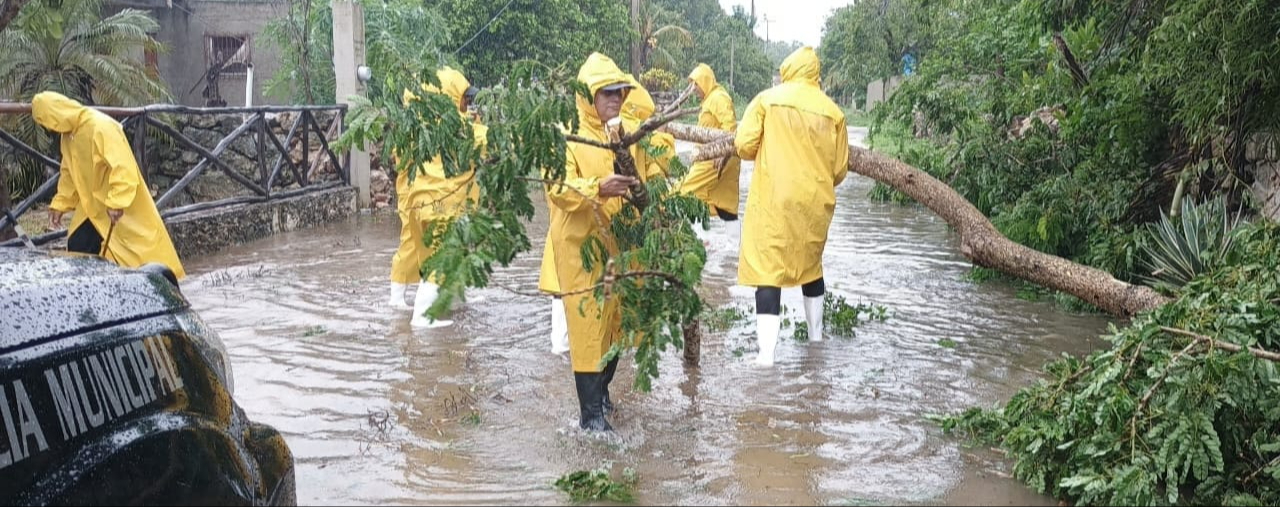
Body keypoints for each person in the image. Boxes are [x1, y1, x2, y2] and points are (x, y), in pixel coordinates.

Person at [544, 52, 670, 432]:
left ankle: (603, 396)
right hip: (581, 248)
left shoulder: (626, 133)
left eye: (620, 91)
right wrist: (597, 188)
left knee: (617, 324)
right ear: (589, 96)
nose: (615, 98)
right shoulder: (566, 133)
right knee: (587, 328)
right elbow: (556, 188)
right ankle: (591, 418)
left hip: (622, 246)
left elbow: (653, 172)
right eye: (606, 92)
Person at [734, 47, 849, 367]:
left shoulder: (767, 100)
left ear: (788, 69)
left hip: (774, 201)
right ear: (815, 73)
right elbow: (839, 170)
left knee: (769, 272)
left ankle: (766, 356)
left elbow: (743, 146)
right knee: (811, 267)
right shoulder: (834, 112)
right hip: (815, 204)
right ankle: (816, 340)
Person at [36, 91, 186, 279]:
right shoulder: (68, 137)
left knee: (139, 253)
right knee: (79, 247)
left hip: (120, 206)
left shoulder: (101, 127)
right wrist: (60, 205)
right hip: (92, 209)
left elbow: (123, 167)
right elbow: (69, 174)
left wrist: (117, 201)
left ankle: (163, 285)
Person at [387, 67, 486, 328]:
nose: (468, 103)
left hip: (425, 205)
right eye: (464, 98)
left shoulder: (421, 129)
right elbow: (487, 142)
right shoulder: (457, 129)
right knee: (438, 263)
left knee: (448, 258)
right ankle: (422, 316)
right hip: (443, 207)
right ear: (449, 97)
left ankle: (453, 301)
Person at [677, 64, 741, 229]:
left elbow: (730, 126)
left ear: (704, 81)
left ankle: (672, 221)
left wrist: (723, 152)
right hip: (709, 156)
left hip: (716, 158)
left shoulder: (719, 98)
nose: (693, 89)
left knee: (684, 190)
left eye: (696, 84)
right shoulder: (709, 100)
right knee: (714, 198)